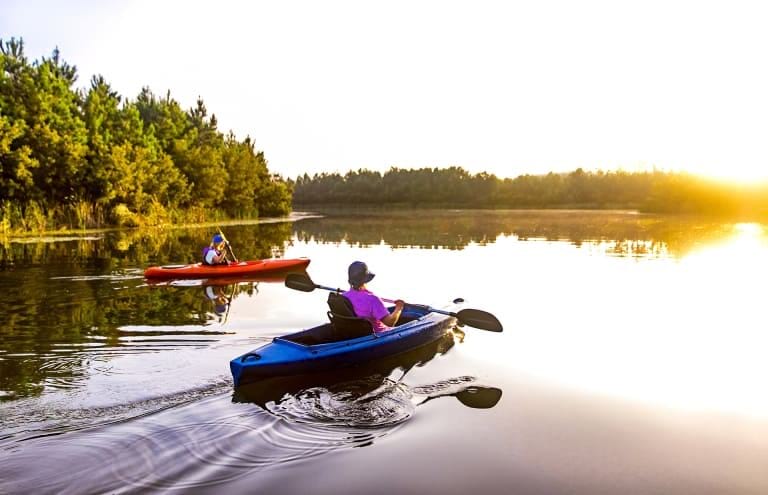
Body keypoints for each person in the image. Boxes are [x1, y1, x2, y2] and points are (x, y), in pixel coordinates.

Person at [342, 261, 405, 333]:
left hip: (356, 333)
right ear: (366, 279)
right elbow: (390, 323)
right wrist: (399, 308)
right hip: (377, 335)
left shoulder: (344, 296)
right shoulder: (373, 299)